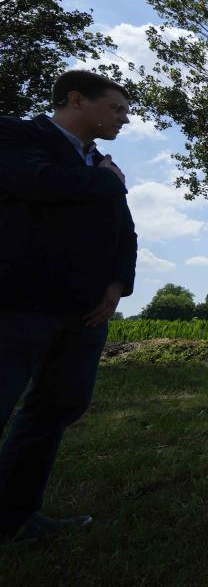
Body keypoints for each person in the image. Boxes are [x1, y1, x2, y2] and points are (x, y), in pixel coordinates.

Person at [0, 70, 137, 545]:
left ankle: (16, 517)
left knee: (57, 407)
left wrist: (118, 284)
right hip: (19, 305)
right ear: (76, 100)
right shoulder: (18, 135)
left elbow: (126, 231)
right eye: (117, 108)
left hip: (84, 312)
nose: (125, 117)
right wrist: (103, 180)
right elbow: (37, 183)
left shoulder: (101, 163)